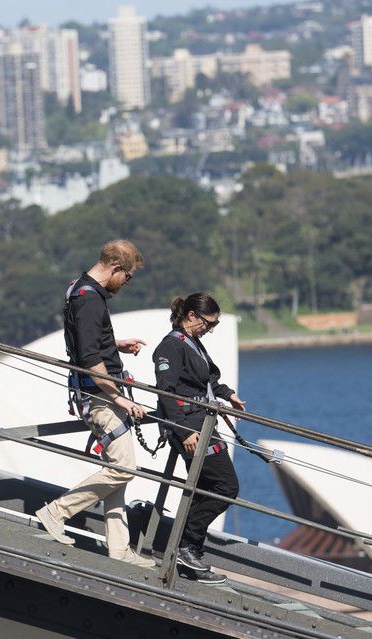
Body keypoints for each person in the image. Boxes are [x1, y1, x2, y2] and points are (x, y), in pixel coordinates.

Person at [35, 239, 154, 568]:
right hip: (100, 397)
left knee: (118, 470)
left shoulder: (80, 289)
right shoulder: (89, 299)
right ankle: (56, 512)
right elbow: (89, 358)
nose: (126, 283)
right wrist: (118, 397)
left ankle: (119, 549)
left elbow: (86, 338)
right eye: (127, 277)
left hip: (97, 393)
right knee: (124, 468)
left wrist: (116, 344)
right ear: (116, 267)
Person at [152, 293, 244, 585]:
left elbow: (205, 380)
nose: (210, 329)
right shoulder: (171, 346)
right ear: (191, 315)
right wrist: (182, 431)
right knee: (226, 486)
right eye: (208, 323)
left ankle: (190, 555)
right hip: (190, 428)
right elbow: (166, 391)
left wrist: (227, 394)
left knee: (205, 489)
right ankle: (186, 548)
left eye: (214, 325)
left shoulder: (191, 342)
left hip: (201, 424)